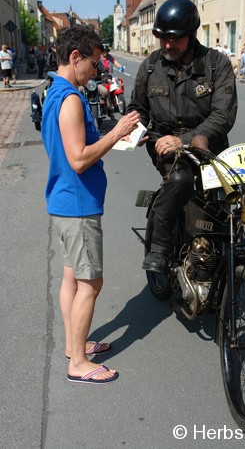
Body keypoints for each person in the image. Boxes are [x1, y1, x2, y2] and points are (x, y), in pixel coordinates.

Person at [41, 25, 140, 384]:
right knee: (91, 283)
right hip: (78, 205)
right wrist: (115, 134)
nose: (96, 71)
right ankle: (78, 363)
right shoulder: (69, 99)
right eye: (93, 64)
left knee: (72, 276)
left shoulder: (57, 92)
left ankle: (74, 345)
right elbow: (79, 159)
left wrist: (118, 139)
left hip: (67, 201)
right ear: (74, 58)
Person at [127, 0, 237, 273]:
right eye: (161, 37)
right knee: (180, 179)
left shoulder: (216, 65)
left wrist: (186, 140)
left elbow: (223, 115)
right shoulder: (151, 66)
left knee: (228, 203)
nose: (166, 44)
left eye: (173, 38)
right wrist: (136, 130)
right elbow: (137, 108)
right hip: (165, 145)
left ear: (191, 34)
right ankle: (160, 248)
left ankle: (224, 262)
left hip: (209, 146)